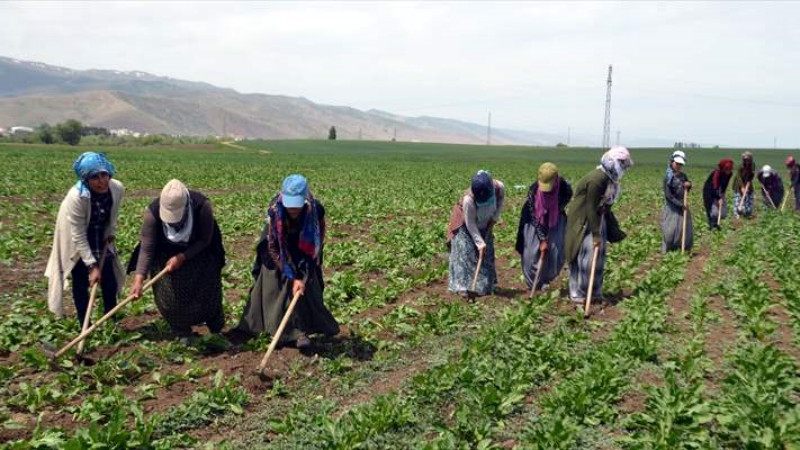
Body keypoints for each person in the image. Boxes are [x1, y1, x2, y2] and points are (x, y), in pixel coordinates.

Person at [235, 175, 339, 348]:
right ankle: (274, 329)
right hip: (277, 247)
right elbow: (274, 248)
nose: (293, 210)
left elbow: (317, 239)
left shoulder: (316, 210)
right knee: (277, 283)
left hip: (305, 246)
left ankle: (301, 330)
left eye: (297, 206)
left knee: (306, 287)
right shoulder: (276, 210)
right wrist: (291, 275)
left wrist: (305, 270)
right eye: (289, 205)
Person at [128, 179, 226, 342]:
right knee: (170, 299)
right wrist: (139, 280)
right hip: (166, 256)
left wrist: (183, 256)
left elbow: (205, 239)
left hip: (200, 253)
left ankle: (216, 330)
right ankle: (182, 332)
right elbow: (147, 248)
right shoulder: (152, 214)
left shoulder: (201, 207)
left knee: (208, 294)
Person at [45, 152, 125, 324]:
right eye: (95, 177)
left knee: (109, 281)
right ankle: (84, 323)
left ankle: (110, 319)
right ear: (86, 180)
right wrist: (92, 266)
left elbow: (113, 213)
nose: (102, 181)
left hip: (100, 234)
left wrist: (111, 231)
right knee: (81, 281)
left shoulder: (116, 188)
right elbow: (78, 235)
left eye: (104, 174)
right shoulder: (77, 197)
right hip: (77, 237)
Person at [565, 147, 632, 304]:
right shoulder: (597, 179)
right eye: (621, 163)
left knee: (599, 257)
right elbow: (590, 207)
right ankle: (579, 293)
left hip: (597, 220)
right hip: (583, 222)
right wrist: (595, 235)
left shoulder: (609, 179)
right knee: (584, 258)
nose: (623, 168)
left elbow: (603, 206)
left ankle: (594, 291)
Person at [446, 170, 505, 298]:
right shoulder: (468, 200)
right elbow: (470, 224)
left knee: (486, 254)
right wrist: (479, 243)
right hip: (465, 224)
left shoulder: (499, 187)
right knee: (464, 254)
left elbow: (500, 202)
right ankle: (462, 287)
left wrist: (495, 217)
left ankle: (486, 286)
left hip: (486, 223)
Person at [515, 163, 572, 291]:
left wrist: (555, 210)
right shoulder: (533, 191)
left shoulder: (564, 188)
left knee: (556, 251)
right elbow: (534, 217)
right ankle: (532, 283)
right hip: (534, 219)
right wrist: (542, 239)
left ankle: (545, 279)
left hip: (555, 217)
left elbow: (566, 199)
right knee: (530, 253)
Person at [661, 151, 693, 252]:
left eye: (681, 164)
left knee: (683, 228)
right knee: (670, 230)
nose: (678, 166)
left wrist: (689, 185)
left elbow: (687, 188)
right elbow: (668, 195)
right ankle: (667, 250)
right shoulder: (668, 177)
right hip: (672, 207)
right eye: (677, 163)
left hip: (682, 205)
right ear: (672, 162)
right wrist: (680, 205)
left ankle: (681, 248)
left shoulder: (683, 176)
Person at [702, 158, 734, 230]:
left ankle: (717, 223)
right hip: (709, 191)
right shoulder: (717, 173)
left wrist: (722, 194)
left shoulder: (729, 174)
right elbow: (714, 186)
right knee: (711, 209)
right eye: (727, 169)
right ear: (723, 168)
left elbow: (725, 185)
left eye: (730, 169)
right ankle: (712, 226)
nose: (729, 171)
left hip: (719, 190)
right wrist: (718, 197)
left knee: (722, 211)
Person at [732, 152, 756, 218]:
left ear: (751, 159)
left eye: (748, 159)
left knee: (749, 195)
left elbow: (752, 175)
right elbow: (738, 177)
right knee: (738, 197)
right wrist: (742, 187)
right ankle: (737, 214)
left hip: (747, 181)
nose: (746, 161)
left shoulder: (752, 165)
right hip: (738, 183)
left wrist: (748, 183)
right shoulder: (741, 166)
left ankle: (747, 213)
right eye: (745, 160)